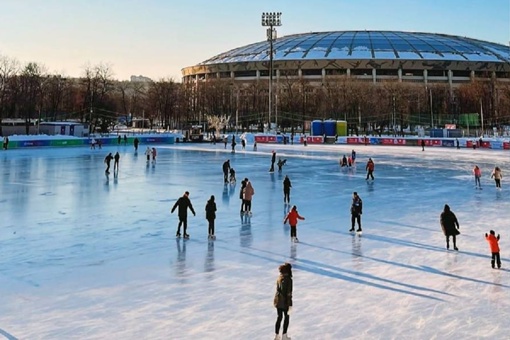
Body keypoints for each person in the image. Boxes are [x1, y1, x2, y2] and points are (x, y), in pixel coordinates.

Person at [273, 263, 293, 340]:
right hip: (286, 302)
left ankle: (276, 336)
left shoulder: (279, 277)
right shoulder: (289, 280)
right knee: (287, 317)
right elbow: (289, 293)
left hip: (278, 301)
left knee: (279, 317)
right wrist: (289, 304)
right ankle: (284, 336)